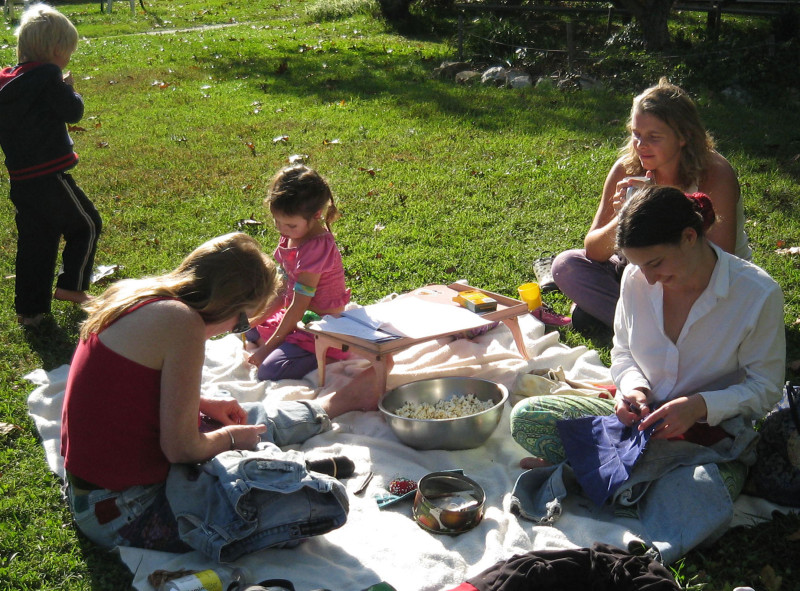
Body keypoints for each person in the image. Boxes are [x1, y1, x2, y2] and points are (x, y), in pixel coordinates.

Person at [60, 233, 382, 553]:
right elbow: (182, 450)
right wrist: (229, 440)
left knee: (241, 420)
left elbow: (128, 385)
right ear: (229, 305)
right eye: (241, 323)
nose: (233, 330)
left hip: (97, 490)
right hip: (124, 511)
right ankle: (281, 470)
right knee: (325, 501)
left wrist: (201, 404)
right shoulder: (182, 323)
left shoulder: (139, 296)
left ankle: (331, 405)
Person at [509, 186, 785, 560]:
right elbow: (622, 352)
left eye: (655, 263)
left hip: (709, 439)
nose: (649, 279)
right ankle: (628, 484)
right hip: (637, 425)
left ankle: (599, 478)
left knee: (701, 494)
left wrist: (700, 406)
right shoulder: (636, 279)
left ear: (690, 237)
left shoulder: (756, 293)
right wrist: (633, 389)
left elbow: (766, 389)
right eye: (639, 266)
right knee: (528, 418)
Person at [550, 78, 750, 333]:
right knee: (567, 266)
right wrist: (625, 215)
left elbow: (720, 257)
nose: (640, 146)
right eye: (636, 134)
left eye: (653, 137)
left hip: (702, 280)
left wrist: (656, 211)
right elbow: (594, 251)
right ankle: (653, 331)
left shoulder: (714, 173)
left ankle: (627, 323)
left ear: (684, 136)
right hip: (645, 272)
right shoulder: (627, 169)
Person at [0, 4, 102, 327]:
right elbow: (72, 112)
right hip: (49, 176)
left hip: (21, 180)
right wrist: (69, 89)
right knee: (86, 224)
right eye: (67, 53)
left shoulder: (7, 84)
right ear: (56, 51)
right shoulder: (48, 76)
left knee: (37, 241)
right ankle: (72, 287)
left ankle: (30, 312)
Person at [246, 164, 351, 381]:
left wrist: (267, 348)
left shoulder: (316, 248)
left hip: (320, 324)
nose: (282, 230)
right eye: (277, 222)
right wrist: (258, 316)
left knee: (270, 370)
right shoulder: (293, 233)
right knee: (249, 328)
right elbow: (284, 286)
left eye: (290, 225)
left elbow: (299, 303)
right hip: (296, 313)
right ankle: (283, 341)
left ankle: (328, 356)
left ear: (316, 215)